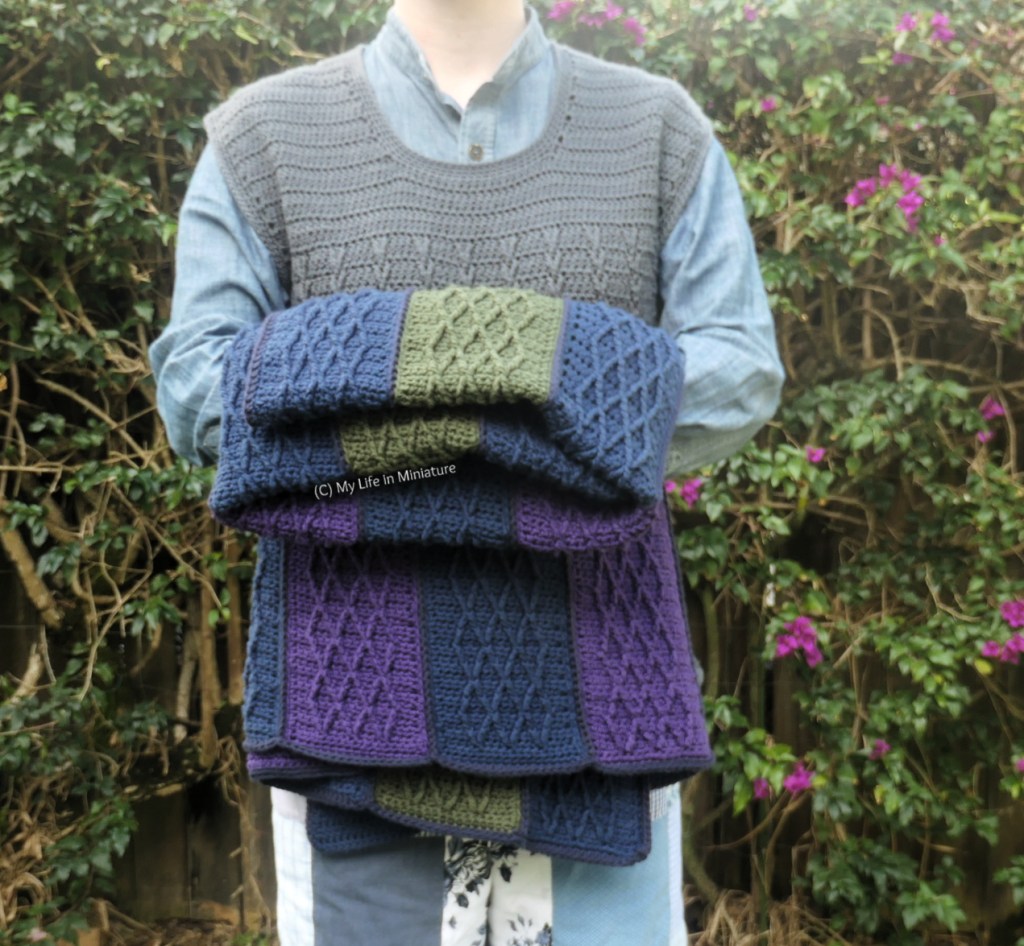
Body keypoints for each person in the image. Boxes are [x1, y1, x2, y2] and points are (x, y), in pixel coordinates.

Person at [148, 1, 785, 943]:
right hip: (353, 717)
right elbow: (201, 390)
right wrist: (544, 399)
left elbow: (739, 369)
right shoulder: (266, 135)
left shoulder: (654, 128)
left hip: (597, 716)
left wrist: (398, 414)